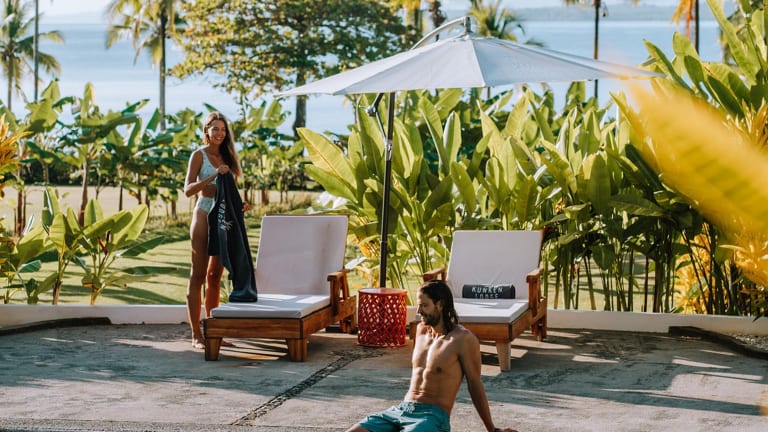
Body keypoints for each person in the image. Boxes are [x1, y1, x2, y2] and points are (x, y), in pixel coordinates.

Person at [346, 280, 517, 432]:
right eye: (418, 305)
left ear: (440, 305)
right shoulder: (420, 331)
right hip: (401, 410)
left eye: (424, 305)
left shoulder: (463, 339)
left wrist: (492, 429)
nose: (419, 311)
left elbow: (475, 384)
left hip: (432, 417)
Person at [183, 111, 246, 350]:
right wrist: (212, 177)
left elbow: (229, 191)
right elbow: (188, 190)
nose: (219, 133)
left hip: (224, 217)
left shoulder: (228, 157)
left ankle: (214, 331)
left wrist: (240, 205)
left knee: (214, 277)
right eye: (215, 129)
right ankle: (196, 335)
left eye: (223, 129)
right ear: (207, 130)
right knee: (198, 275)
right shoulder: (198, 155)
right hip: (203, 214)